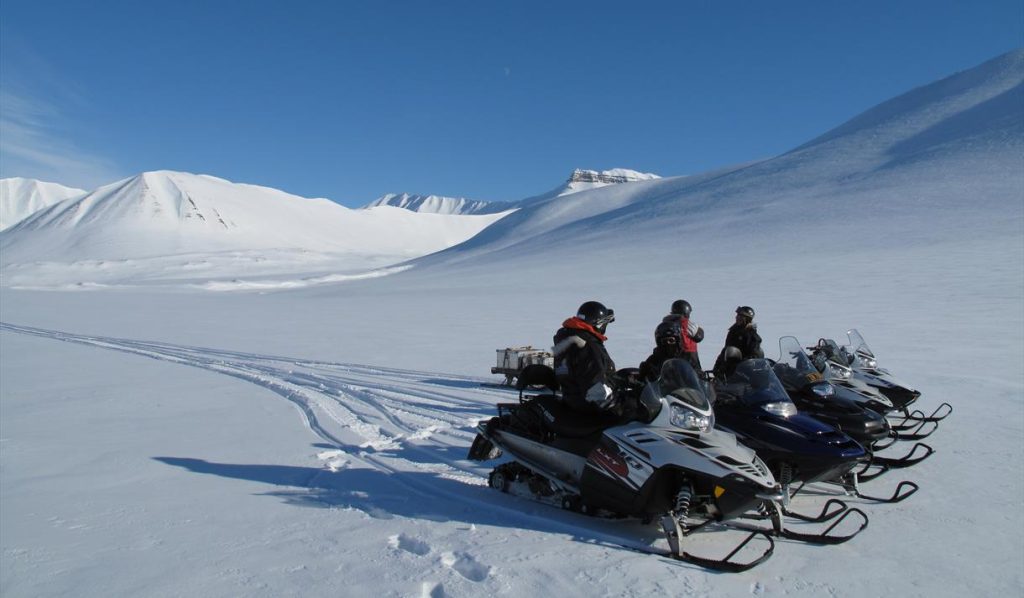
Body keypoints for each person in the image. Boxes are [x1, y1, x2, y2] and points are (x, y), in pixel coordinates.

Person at [552, 301, 618, 414]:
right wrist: (616, 404)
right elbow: (593, 383)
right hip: (588, 407)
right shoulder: (587, 345)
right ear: (599, 324)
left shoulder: (569, 339)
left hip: (572, 400)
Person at [661, 299, 704, 372]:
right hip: (688, 357)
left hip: (667, 356)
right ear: (686, 312)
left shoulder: (665, 323)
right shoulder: (685, 323)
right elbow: (699, 336)